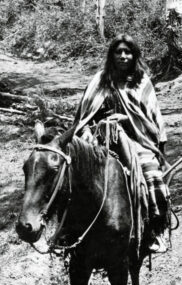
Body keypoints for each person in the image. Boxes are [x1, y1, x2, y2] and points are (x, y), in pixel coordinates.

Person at [73, 35, 171, 253]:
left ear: (134, 55)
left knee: (150, 171)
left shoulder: (141, 81)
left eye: (128, 52)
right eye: (118, 52)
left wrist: (126, 120)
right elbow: (84, 116)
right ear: (111, 55)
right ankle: (68, 232)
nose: (123, 56)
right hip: (99, 138)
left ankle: (155, 229)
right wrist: (94, 128)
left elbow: (152, 116)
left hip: (135, 139)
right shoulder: (99, 80)